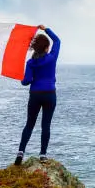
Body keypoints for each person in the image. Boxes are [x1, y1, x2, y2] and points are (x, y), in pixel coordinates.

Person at [15, 25, 60, 166]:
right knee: (45, 125)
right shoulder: (52, 58)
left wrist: (23, 79)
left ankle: (20, 152)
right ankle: (42, 155)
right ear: (47, 48)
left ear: (35, 49)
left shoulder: (30, 63)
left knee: (29, 124)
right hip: (49, 94)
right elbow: (57, 41)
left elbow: (26, 81)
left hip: (35, 94)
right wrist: (46, 29)